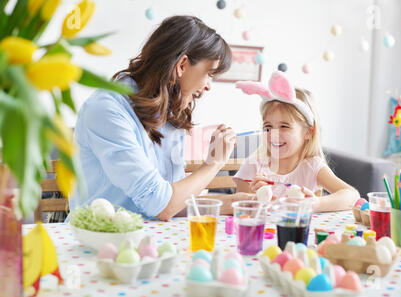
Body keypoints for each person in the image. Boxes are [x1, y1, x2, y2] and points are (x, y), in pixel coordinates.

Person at [68, 15, 253, 221]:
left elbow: (174, 202)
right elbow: (161, 205)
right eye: (209, 73)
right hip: (98, 241)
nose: (209, 85)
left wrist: (236, 203)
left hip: (149, 240)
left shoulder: (167, 112)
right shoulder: (106, 110)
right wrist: (214, 163)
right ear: (182, 65)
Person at [234, 71, 360, 212]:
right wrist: (253, 197)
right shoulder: (253, 167)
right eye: (268, 127)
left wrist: (315, 203)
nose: (274, 134)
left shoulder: (312, 167)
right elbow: (238, 211)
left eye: (284, 126)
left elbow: (353, 196)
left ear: (308, 132)